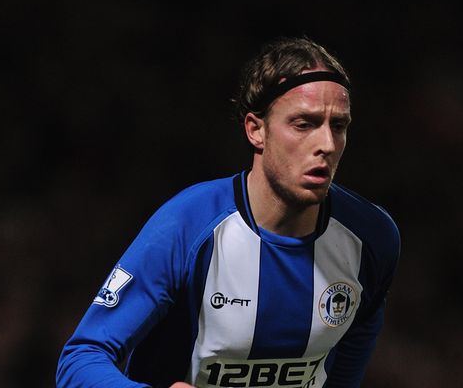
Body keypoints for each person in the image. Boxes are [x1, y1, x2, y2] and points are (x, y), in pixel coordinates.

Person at [56, 36, 401, 388]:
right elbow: (80, 359)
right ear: (256, 130)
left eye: (338, 126)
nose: (326, 144)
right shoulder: (187, 225)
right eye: (303, 124)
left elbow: (344, 376)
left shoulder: (372, 238)